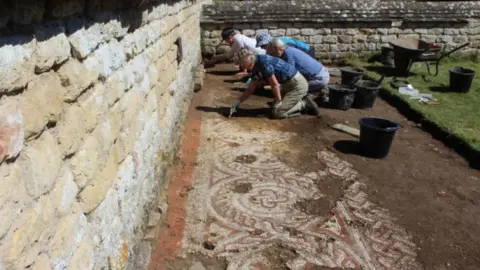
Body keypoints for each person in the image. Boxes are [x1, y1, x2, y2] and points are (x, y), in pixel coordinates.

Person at [230, 48, 320, 119]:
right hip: (288, 84)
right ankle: (297, 101)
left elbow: (274, 84)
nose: (240, 66)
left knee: (278, 113)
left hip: (297, 84)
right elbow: (251, 88)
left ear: (247, 61)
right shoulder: (255, 65)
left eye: (241, 63)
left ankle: (304, 103)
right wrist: (238, 102)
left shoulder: (263, 63)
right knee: (273, 108)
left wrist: (278, 101)